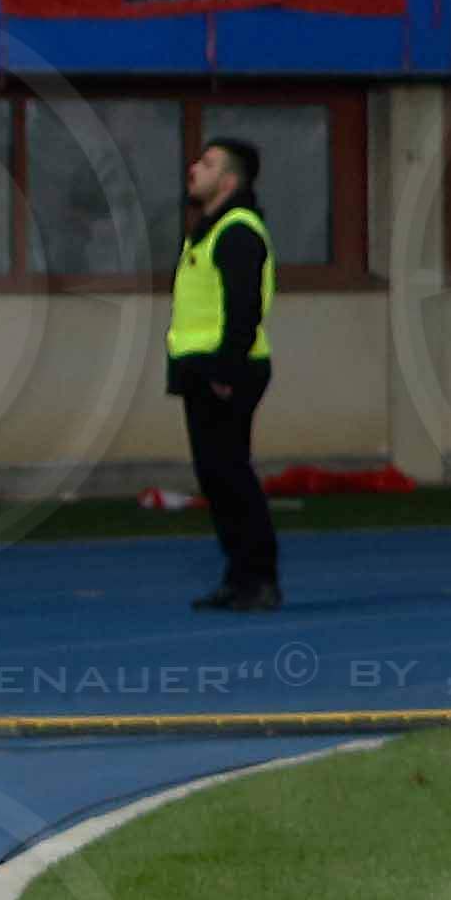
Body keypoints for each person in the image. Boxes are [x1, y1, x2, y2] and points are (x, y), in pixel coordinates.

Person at [170, 135, 281, 615]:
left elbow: (244, 306)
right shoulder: (209, 228)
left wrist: (225, 369)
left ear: (229, 180)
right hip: (204, 370)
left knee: (230, 475)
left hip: (228, 370)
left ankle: (258, 579)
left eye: (208, 163)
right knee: (216, 477)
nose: (195, 168)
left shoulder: (237, 230)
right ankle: (240, 577)